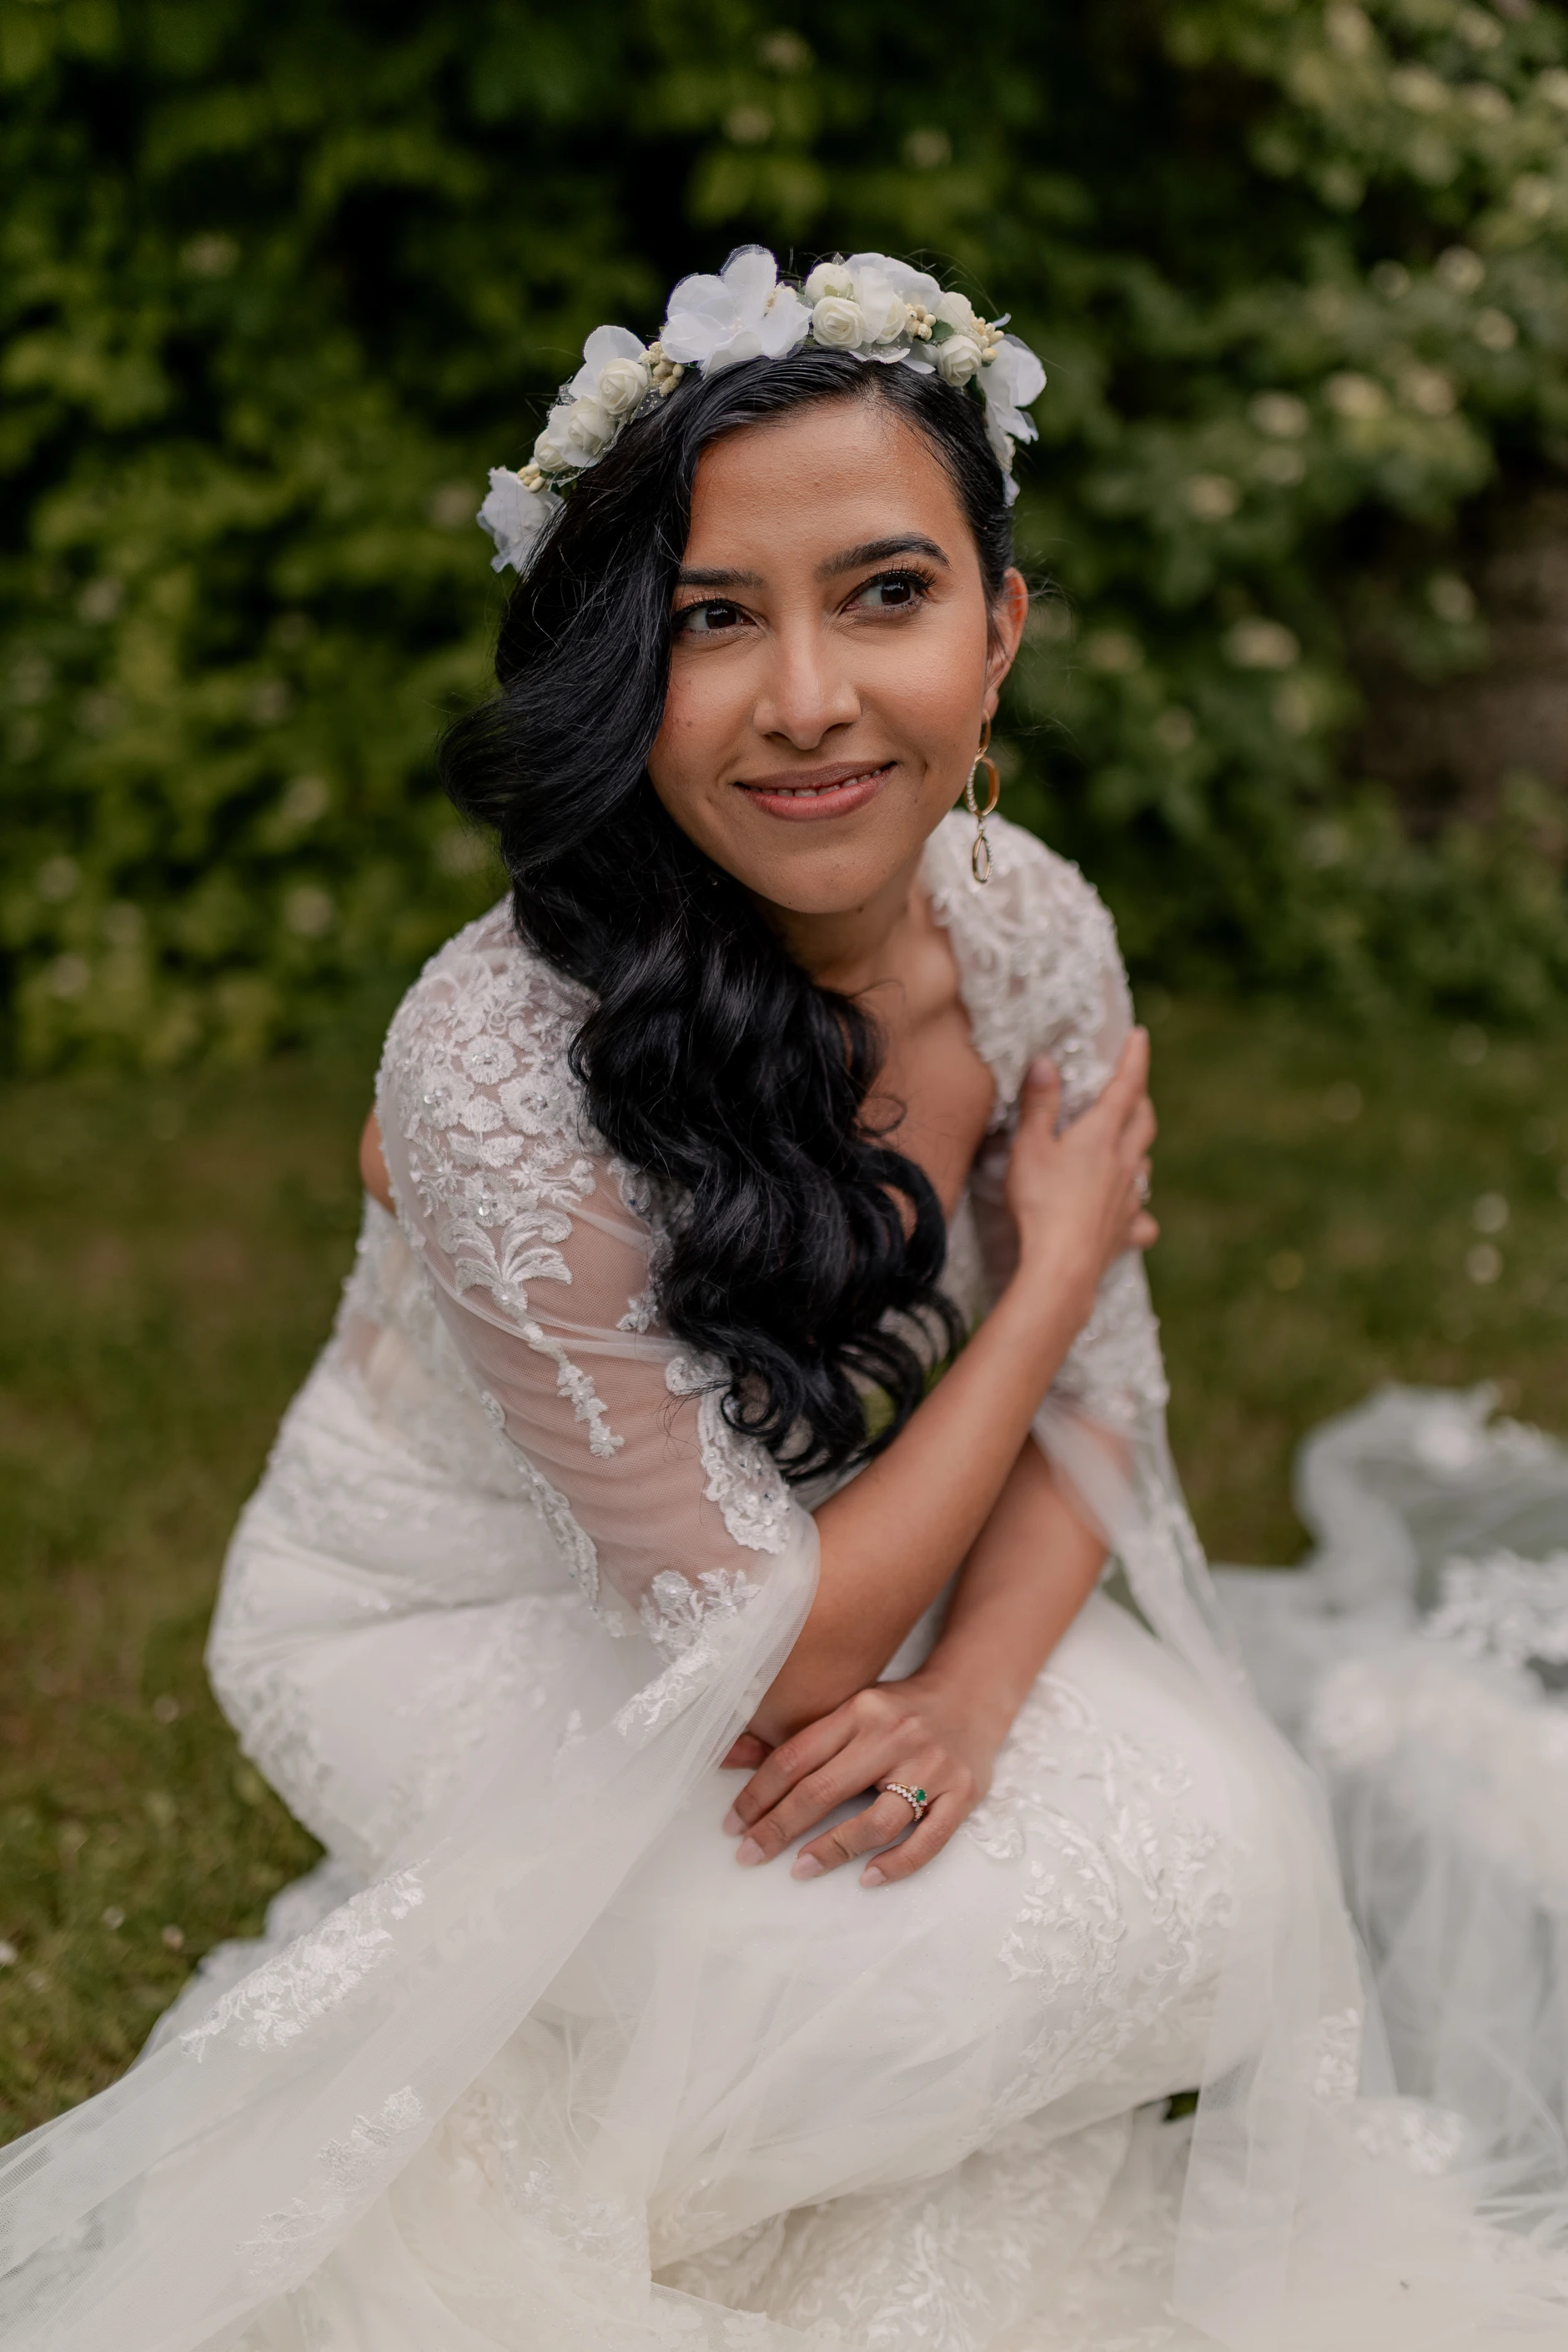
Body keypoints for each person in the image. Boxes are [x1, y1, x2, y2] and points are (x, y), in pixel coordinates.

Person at [3, 248, 1566, 2352]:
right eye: (714, 619)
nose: (809, 697)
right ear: (614, 663)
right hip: (461, 1608)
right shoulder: (488, 1061)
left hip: (836, 1564)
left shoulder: (1033, 937)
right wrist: (1053, 1264)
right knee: (896, 1981)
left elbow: (1099, 1417)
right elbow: (773, 1648)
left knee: (1214, 1859)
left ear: (1001, 633)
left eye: (887, 594)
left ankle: (624, 2000)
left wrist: (967, 1701)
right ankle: (507, 2052)